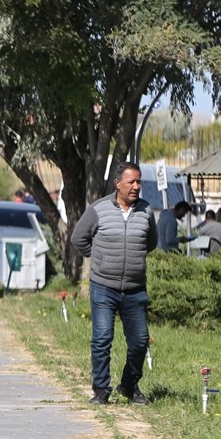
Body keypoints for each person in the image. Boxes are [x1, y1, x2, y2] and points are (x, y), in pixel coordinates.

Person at [70, 162, 158, 405]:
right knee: (102, 338)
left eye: (139, 181)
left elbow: (150, 243)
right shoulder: (98, 209)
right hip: (103, 287)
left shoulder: (146, 211)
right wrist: (100, 258)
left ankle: (129, 386)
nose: (136, 186)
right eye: (131, 182)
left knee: (140, 342)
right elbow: (79, 238)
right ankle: (101, 390)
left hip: (135, 289)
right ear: (117, 183)